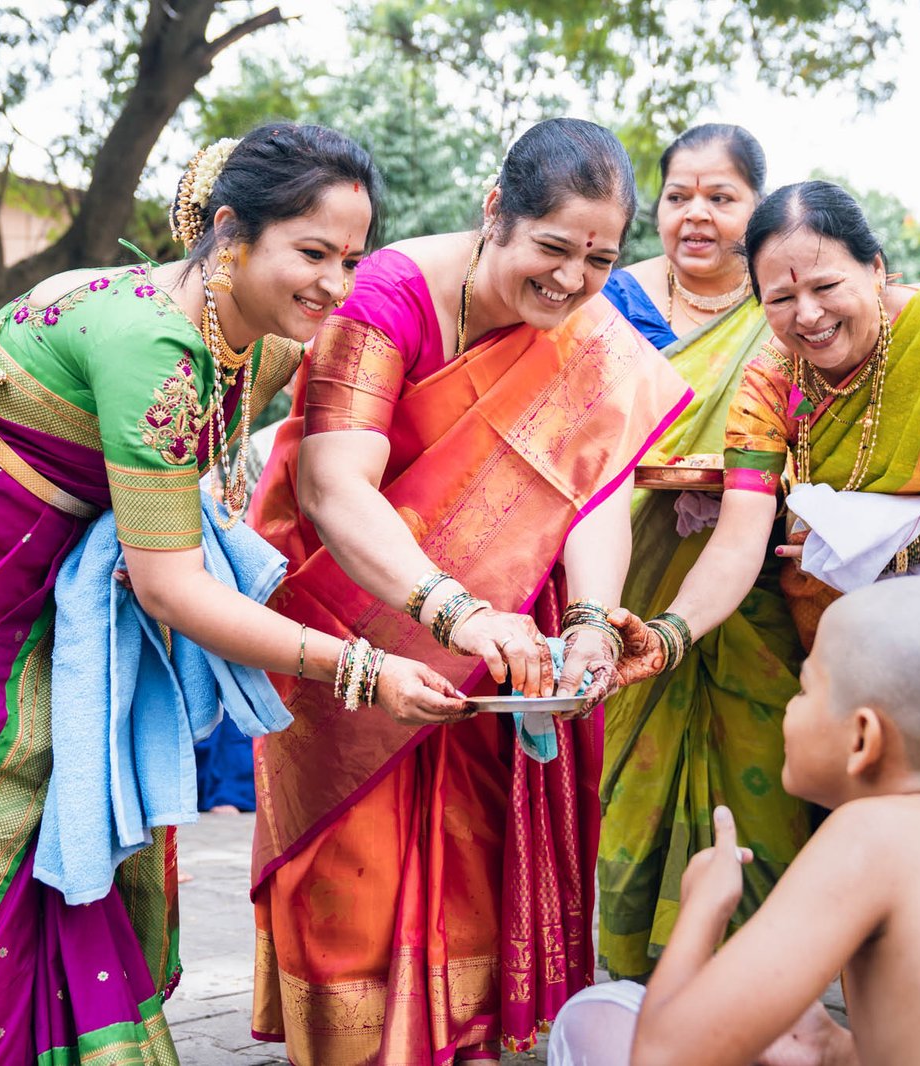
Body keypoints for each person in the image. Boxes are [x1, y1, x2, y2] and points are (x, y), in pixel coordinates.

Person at [0, 124, 466, 1065]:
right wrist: (363, 668)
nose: (337, 285)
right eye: (313, 253)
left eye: (351, 258)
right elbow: (172, 587)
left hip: (13, 567)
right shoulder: (156, 345)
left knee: (33, 808)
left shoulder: (254, 337)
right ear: (230, 231)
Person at [245, 117, 691, 1063]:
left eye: (601, 259)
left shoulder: (592, 334)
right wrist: (458, 612)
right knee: (353, 879)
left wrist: (589, 623)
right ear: (496, 211)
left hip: (503, 655)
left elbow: (592, 492)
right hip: (358, 624)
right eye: (553, 248)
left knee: (475, 870)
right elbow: (333, 488)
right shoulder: (386, 298)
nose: (572, 279)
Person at [600, 179, 920, 988]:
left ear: (877, 268)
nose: (808, 315)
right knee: (876, 783)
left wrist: (903, 544)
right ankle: (895, 990)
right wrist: (671, 633)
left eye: (827, 285)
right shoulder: (770, 380)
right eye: (779, 298)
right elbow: (740, 535)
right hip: (857, 593)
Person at [549, 578, 920, 1066]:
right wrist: (834, 1049)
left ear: (863, 739)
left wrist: (705, 905)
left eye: (804, 689)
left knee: (599, 1020)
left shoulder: (875, 833)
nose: (791, 708)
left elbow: (664, 1054)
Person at [594, 125, 779, 977]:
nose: (696, 214)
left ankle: (754, 975)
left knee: (759, 766)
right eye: (678, 196)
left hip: (751, 578)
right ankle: (635, 971)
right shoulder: (612, 298)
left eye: (721, 197)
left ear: (758, 207)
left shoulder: (781, 307)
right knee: (626, 767)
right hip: (625, 562)